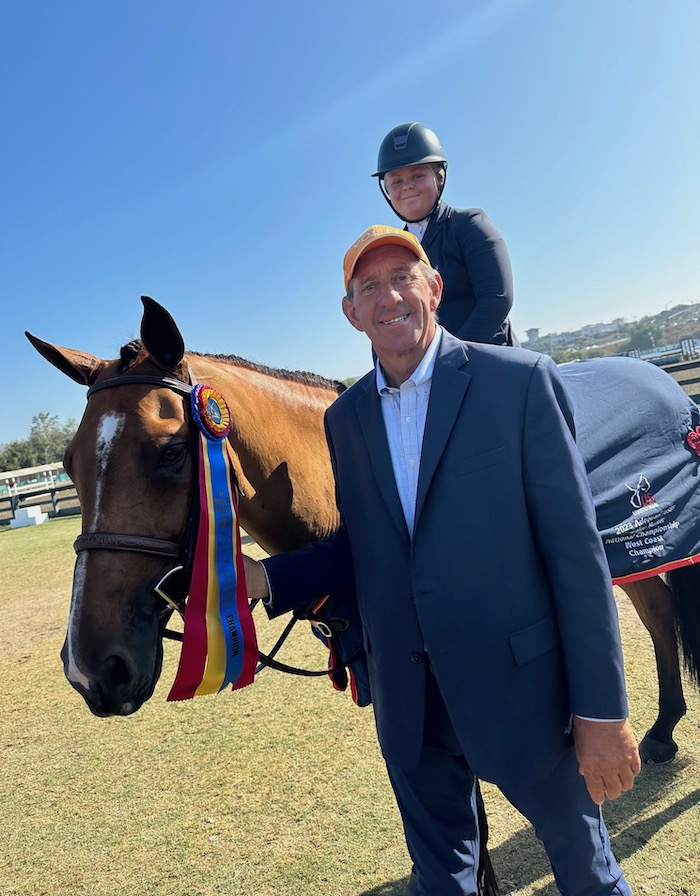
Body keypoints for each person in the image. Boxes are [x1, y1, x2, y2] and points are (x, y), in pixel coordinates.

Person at [243, 225, 641, 896]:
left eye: (403, 276)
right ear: (350, 312)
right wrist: (264, 578)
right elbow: (365, 546)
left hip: (526, 699)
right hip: (409, 702)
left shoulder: (518, 383)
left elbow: (575, 554)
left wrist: (602, 713)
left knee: (588, 876)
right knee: (441, 885)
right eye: (369, 286)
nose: (388, 295)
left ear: (435, 286)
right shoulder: (344, 420)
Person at [373, 121, 517, 346]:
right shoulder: (393, 250)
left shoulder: (469, 224)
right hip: (429, 374)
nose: (407, 186)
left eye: (417, 175)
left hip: (487, 360)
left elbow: (497, 298)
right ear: (387, 190)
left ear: (439, 179)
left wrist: (449, 360)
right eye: (397, 181)